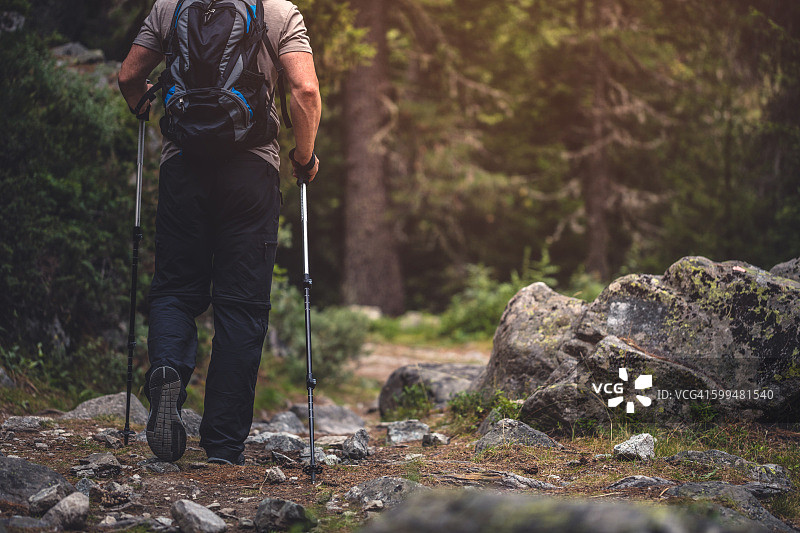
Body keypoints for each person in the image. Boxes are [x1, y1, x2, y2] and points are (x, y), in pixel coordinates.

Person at [118, 0, 321, 465]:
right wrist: (304, 158)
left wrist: (143, 104)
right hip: (251, 173)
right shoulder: (276, 11)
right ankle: (224, 445)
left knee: (174, 289)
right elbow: (305, 90)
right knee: (242, 305)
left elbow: (130, 77)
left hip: (182, 169)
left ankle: (168, 368)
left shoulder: (170, 7)